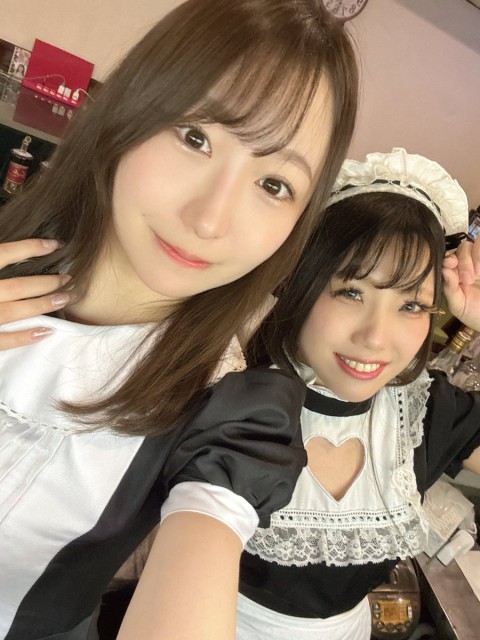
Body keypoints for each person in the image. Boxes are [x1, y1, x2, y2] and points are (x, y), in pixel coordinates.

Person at [0, 1, 359, 639]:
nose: (210, 220)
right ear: (130, 108)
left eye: (274, 184)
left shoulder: (230, 413)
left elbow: (205, 543)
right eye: (196, 137)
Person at [239, 148, 480, 640]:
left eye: (411, 305)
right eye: (351, 292)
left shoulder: (423, 411)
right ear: (301, 284)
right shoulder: (235, 393)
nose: (376, 338)